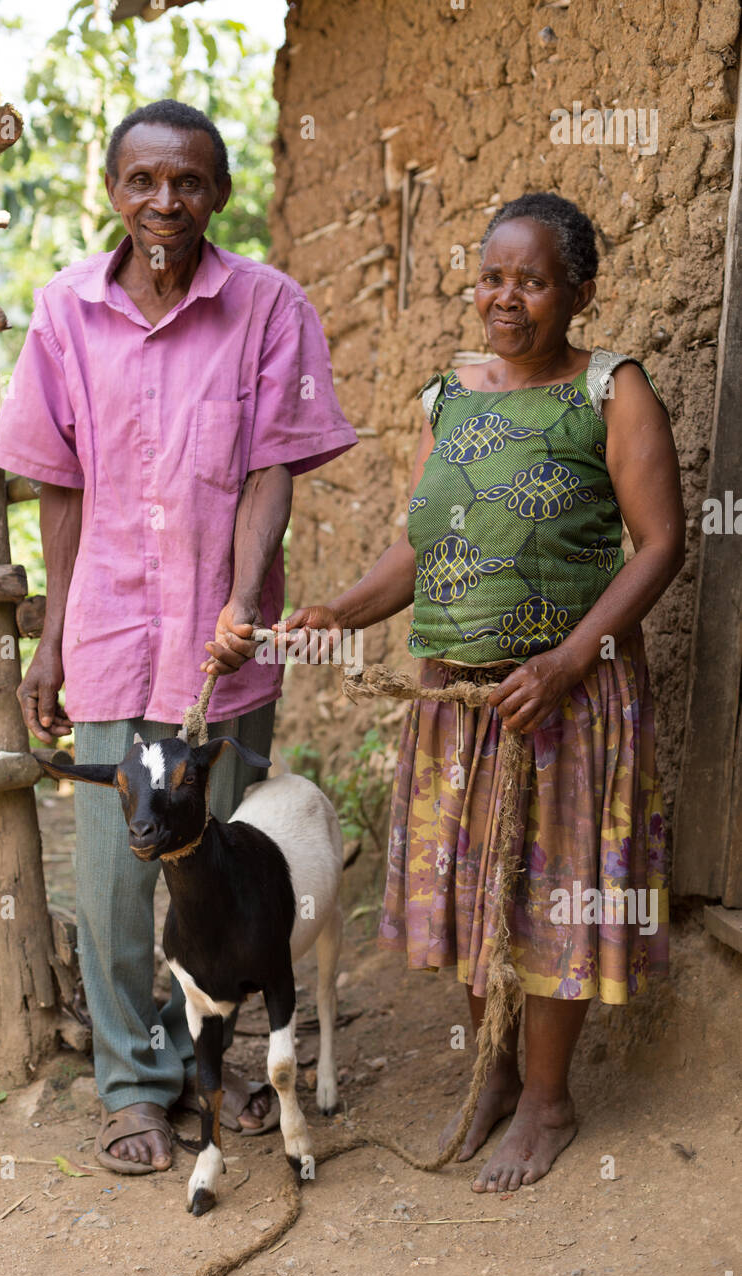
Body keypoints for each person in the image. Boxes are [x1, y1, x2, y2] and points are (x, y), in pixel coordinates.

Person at [282, 192, 684, 1193]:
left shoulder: (610, 390)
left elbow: (662, 543)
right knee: (473, 895)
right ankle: (494, 1071)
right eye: (491, 276)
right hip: (455, 702)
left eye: (531, 280)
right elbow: (419, 551)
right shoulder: (446, 397)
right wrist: (338, 610)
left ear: (577, 290)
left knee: (548, 900)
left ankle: (548, 1099)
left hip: (564, 700)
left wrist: (569, 659)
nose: (505, 298)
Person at [0, 99, 357, 1174]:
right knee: (112, 882)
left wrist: (241, 600)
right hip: (106, 639)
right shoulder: (64, 313)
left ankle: (209, 1060)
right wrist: (51, 640)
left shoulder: (269, 307)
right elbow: (57, 491)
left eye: (187, 182)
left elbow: (268, 469)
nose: (165, 202)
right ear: (114, 191)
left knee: (225, 884)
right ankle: (134, 1088)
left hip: (216, 658)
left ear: (218, 195)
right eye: (143, 181)